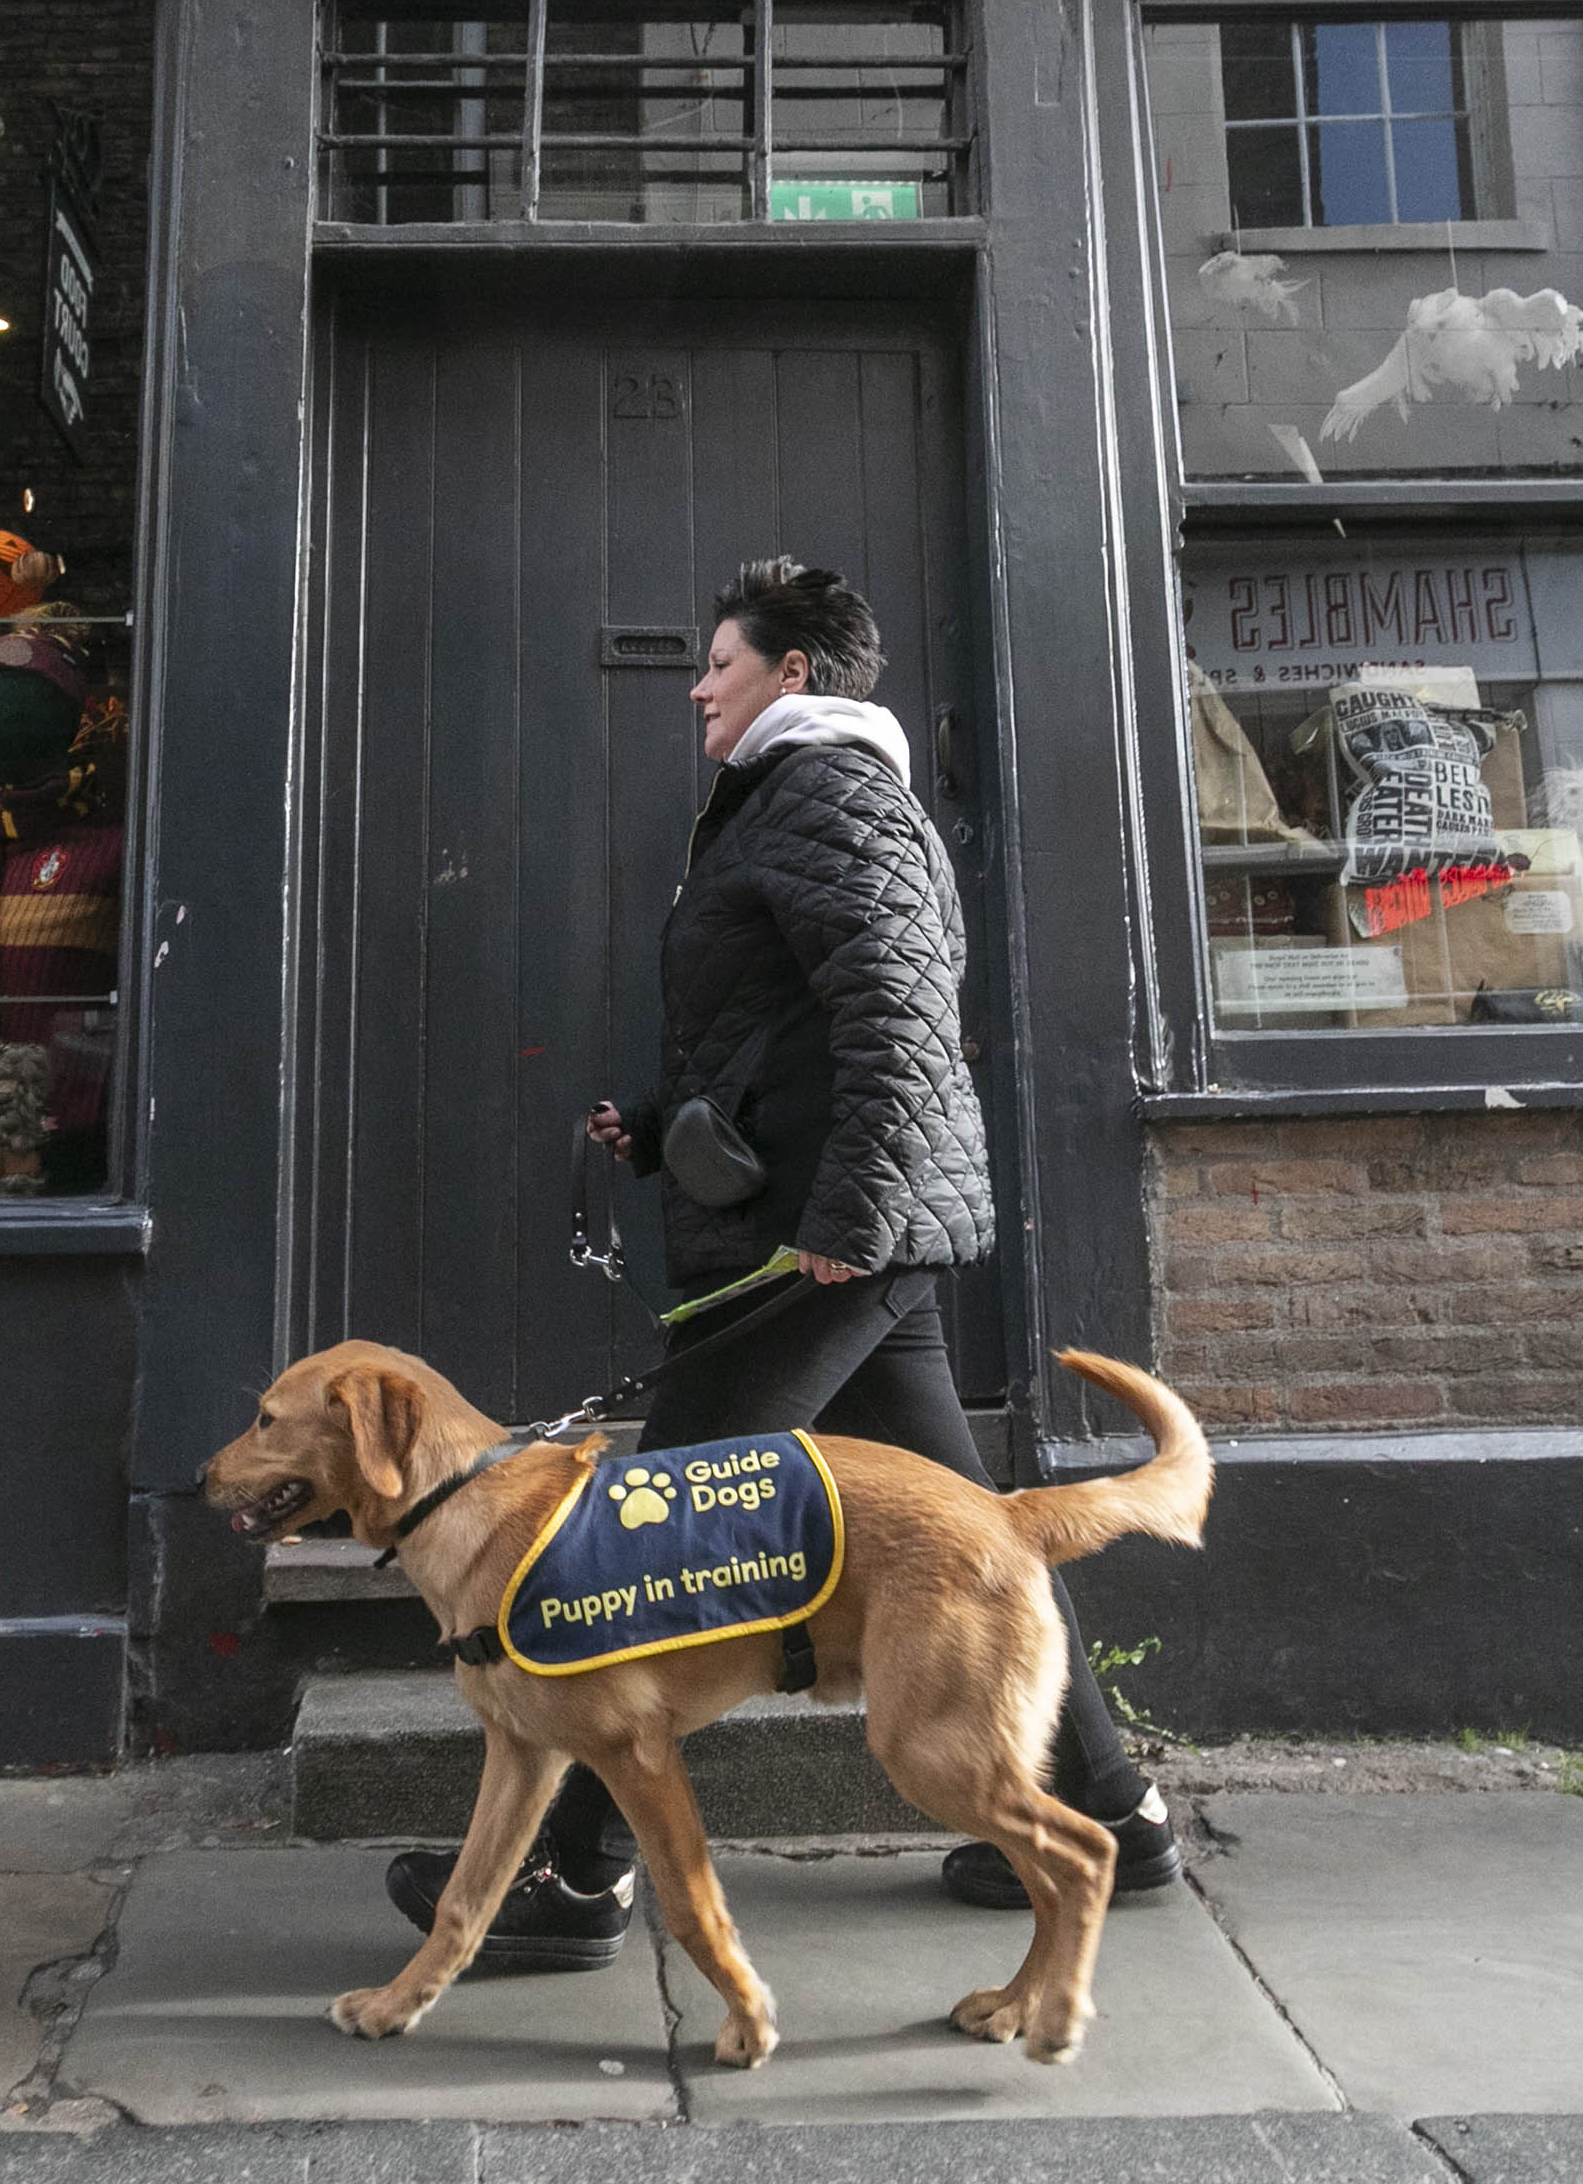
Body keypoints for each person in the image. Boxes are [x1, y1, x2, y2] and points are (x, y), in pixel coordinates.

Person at [384, 555, 1176, 1967]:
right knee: (974, 1523)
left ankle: (578, 1874)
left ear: (790, 675)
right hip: (832, 1232)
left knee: (655, 1526)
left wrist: (848, 1222)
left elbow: (901, 1013)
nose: (698, 684)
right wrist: (660, 1125)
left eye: (721, 661)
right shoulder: (788, 804)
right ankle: (1119, 1804)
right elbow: (784, 1032)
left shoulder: (834, 796)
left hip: (821, 1245)